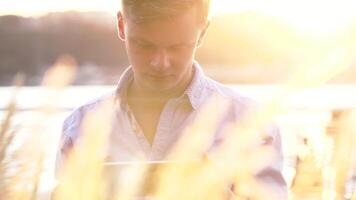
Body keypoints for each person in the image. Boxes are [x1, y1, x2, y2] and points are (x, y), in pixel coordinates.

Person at [55, 0, 287, 198]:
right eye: (144, 45)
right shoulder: (79, 128)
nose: (160, 62)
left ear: (202, 33)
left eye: (177, 47)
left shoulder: (251, 123)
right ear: (121, 26)